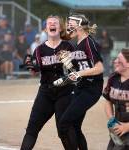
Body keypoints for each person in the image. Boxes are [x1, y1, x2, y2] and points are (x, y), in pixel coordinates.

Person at [20, 15, 78, 150]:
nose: (52, 24)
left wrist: (69, 64)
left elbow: (77, 71)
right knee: (32, 129)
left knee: (63, 130)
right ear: (46, 29)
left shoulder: (68, 46)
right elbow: (34, 70)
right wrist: (30, 66)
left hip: (65, 92)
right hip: (46, 92)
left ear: (60, 28)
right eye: (49, 23)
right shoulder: (39, 50)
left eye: (55, 23)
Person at [54, 13, 104, 150]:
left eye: (71, 24)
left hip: (91, 89)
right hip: (81, 87)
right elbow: (77, 71)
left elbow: (99, 68)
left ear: (80, 27)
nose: (68, 27)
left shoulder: (89, 43)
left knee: (64, 123)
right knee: (75, 126)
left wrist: (78, 72)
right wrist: (68, 63)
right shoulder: (78, 44)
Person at [103, 48, 129, 150]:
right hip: (118, 130)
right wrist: (111, 119)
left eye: (119, 60)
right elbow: (108, 100)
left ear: (127, 64)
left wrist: (127, 127)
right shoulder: (113, 78)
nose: (115, 61)